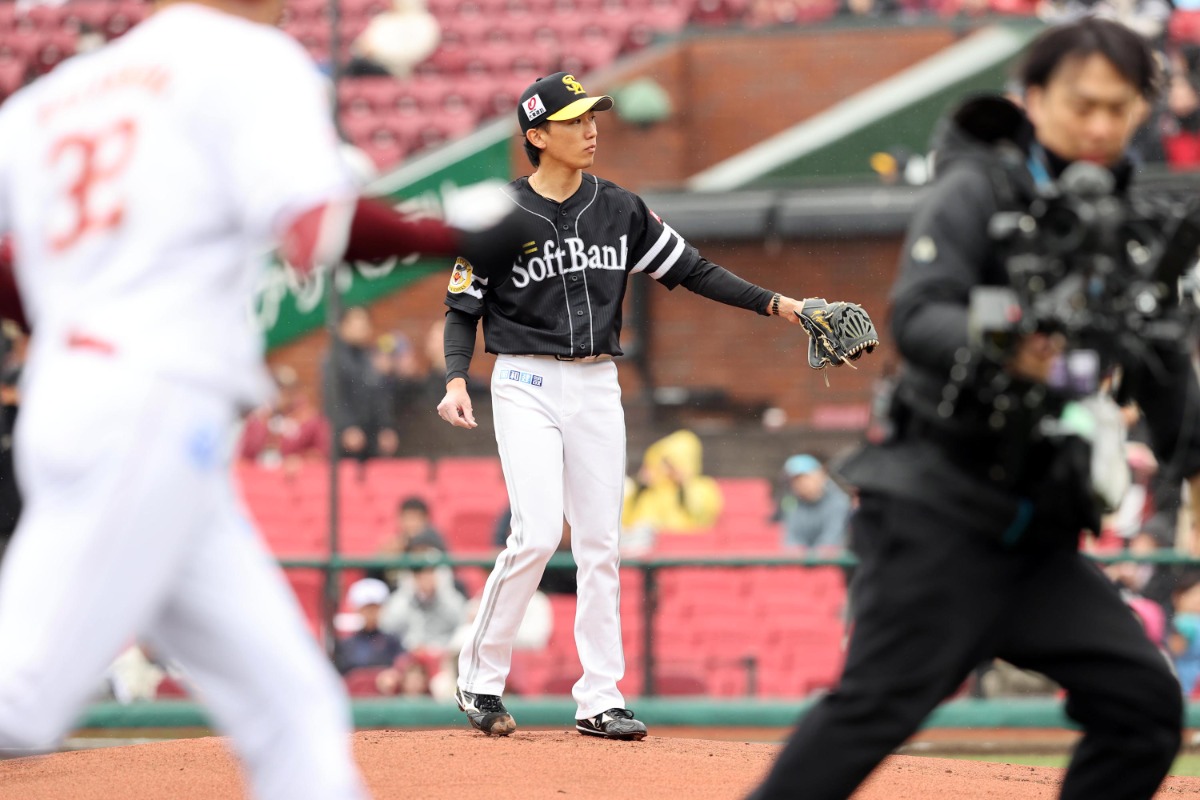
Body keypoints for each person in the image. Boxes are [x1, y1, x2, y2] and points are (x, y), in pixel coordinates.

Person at [0, 0, 531, 795]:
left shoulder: (51, 97)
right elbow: (314, 231)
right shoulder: (245, 58)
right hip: (151, 403)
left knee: (293, 705)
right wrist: (452, 237)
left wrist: (71, 321)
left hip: (86, 399)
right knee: (20, 702)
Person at [750, 19, 1200, 799]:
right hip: (936, 516)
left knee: (1144, 708)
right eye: (1083, 104)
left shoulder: (1129, 226)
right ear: (1034, 99)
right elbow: (918, 316)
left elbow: (1161, 380)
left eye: (1120, 107)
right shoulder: (978, 188)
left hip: (1038, 540)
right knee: (872, 713)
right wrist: (1017, 344)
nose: (1100, 125)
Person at [436, 71, 866, 741]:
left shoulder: (620, 209)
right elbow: (462, 308)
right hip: (524, 380)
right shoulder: (501, 215)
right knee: (538, 534)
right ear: (537, 135)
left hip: (597, 383)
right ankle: (480, 678)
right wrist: (456, 379)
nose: (591, 129)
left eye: (593, 116)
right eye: (575, 119)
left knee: (602, 542)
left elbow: (693, 270)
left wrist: (782, 306)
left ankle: (600, 698)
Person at [324, 305, 399, 461]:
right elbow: (333, 398)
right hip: (346, 441)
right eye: (357, 324)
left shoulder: (370, 358)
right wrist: (346, 427)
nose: (362, 329)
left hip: (372, 439)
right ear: (343, 327)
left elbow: (380, 396)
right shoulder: (333, 359)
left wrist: (385, 427)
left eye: (365, 324)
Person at [622, 429, 723, 535]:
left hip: (686, 541)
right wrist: (640, 487)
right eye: (664, 463)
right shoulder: (652, 490)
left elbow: (702, 517)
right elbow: (627, 518)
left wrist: (685, 484)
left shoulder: (703, 487)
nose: (666, 470)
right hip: (649, 541)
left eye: (672, 464)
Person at [775, 453, 852, 551]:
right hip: (802, 559)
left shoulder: (840, 503)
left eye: (804, 477)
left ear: (820, 474)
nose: (799, 483)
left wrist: (810, 556)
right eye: (795, 479)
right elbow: (791, 539)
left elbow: (831, 542)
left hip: (832, 559)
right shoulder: (791, 502)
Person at [333, 578, 404, 675]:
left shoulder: (392, 642)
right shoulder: (346, 645)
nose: (371, 613)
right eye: (367, 609)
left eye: (375, 608)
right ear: (358, 610)